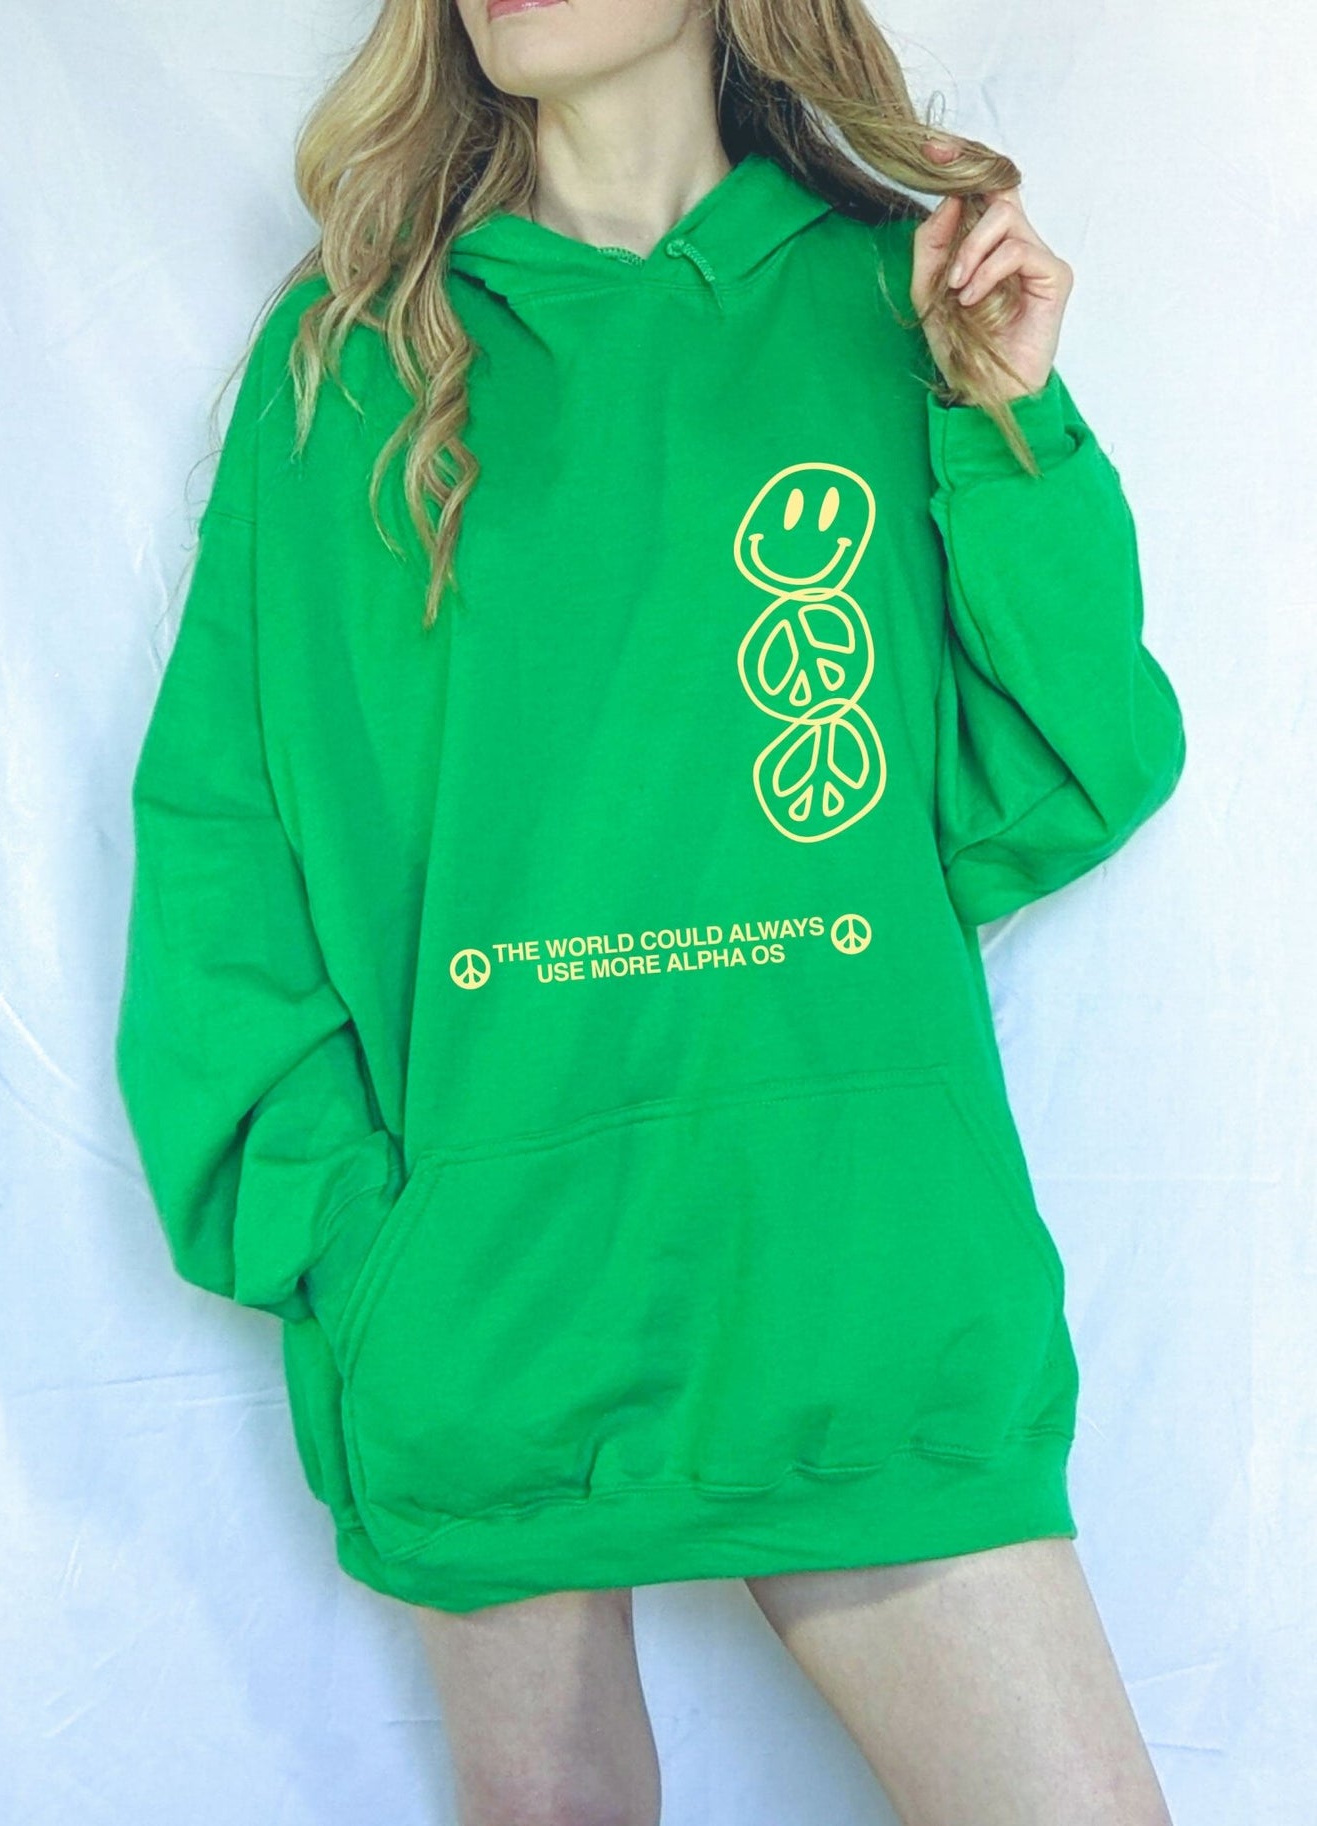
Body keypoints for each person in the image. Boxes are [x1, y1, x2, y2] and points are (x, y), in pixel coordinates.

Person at [113, 1, 1185, 1820]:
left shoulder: (890, 301)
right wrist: (361, 1250)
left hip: (860, 1276)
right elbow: (224, 847)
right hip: (488, 1304)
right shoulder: (358, 357)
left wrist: (1006, 420)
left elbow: (1062, 778)